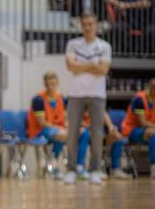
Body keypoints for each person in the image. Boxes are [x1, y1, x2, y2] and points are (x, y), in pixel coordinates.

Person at [63, 13, 111, 185]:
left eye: (91, 24)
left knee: (97, 134)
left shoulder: (104, 46)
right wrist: (92, 65)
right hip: (75, 94)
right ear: (81, 26)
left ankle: (95, 170)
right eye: (84, 24)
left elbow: (104, 70)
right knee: (73, 134)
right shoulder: (73, 44)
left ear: (96, 25)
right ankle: (71, 170)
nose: (88, 27)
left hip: (97, 95)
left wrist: (81, 66)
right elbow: (71, 67)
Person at [27, 72, 69, 178]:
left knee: (76, 133)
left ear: (57, 83)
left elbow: (65, 117)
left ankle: (57, 164)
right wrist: (60, 128)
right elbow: (41, 122)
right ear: (45, 85)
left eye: (53, 84)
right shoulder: (38, 99)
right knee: (63, 134)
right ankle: (53, 164)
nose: (50, 87)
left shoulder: (61, 98)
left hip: (56, 129)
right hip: (39, 130)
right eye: (48, 84)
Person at [121, 78, 155, 178]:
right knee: (152, 133)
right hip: (132, 130)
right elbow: (143, 122)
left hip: (150, 128)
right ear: (150, 88)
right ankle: (154, 166)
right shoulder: (140, 99)